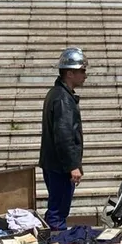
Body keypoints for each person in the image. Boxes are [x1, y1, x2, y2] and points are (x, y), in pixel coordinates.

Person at [39, 47, 88, 231]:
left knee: (56, 209)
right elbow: (64, 135)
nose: (85, 75)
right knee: (58, 212)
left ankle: (53, 241)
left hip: (55, 164)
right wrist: (72, 166)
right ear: (69, 73)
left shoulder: (58, 93)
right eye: (81, 71)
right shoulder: (62, 99)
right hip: (60, 167)